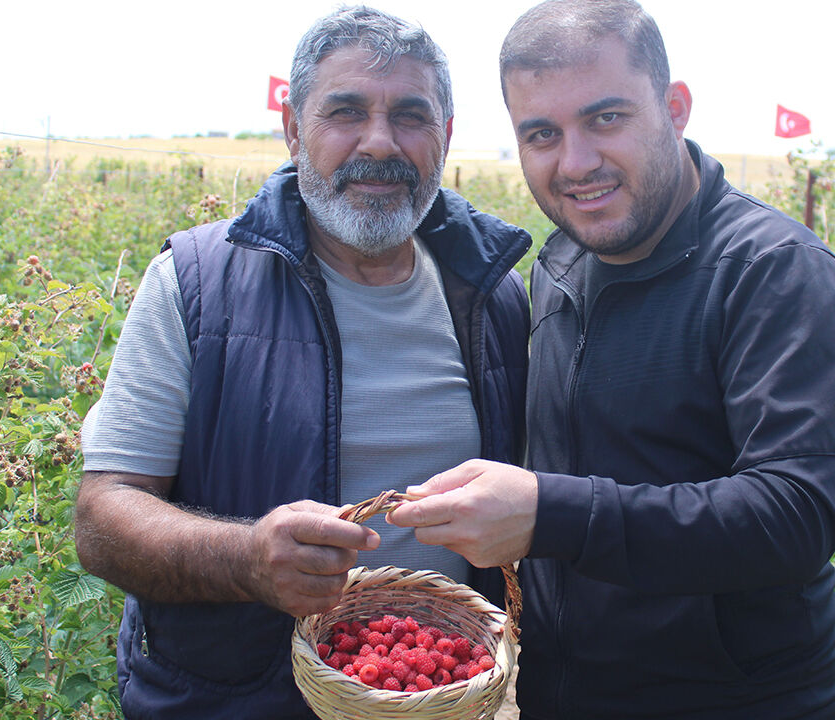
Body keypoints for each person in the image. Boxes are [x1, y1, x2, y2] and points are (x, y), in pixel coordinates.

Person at [386, 1, 835, 718]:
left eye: (606, 118)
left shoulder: (772, 270)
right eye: (542, 134)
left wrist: (551, 515)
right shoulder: (560, 263)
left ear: (674, 109)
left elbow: (792, 517)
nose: (575, 163)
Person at [73, 7, 531, 718]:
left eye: (411, 115)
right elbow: (103, 518)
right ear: (293, 131)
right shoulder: (195, 286)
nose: (379, 143)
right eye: (345, 111)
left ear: (446, 136)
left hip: (443, 692)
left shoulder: (494, 294)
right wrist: (247, 559)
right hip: (237, 700)